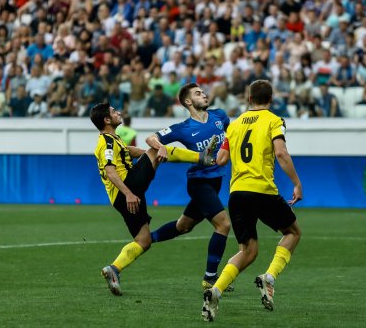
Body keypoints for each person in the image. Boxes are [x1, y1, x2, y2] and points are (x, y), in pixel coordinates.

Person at [201, 80, 303, 322]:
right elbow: (281, 152)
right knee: (293, 232)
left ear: (249, 99)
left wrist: (209, 152)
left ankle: (216, 290)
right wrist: (297, 183)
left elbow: (221, 159)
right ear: (271, 99)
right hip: (262, 190)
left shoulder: (235, 125)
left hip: (237, 194)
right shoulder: (274, 121)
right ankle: (270, 277)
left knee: (247, 251)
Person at [90, 102, 216, 296]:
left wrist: (147, 155)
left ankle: (113, 269)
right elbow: (110, 171)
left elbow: (128, 152)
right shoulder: (106, 141)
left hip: (122, 197)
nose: (119, 112)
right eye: (114, 112)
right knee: (158, 148)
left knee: (144, 241)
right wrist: (129, 193)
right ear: (107, 120)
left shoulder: (113, 139)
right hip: (128, 189)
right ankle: (203, 157)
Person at [145, 83, 233, 290]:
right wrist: (161, 147)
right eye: (198, 93)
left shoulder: (220, 116)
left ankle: (145, 239)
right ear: (188, 101)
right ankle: (210, 277)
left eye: (203, 92)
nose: (204, 95)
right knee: (224, 225)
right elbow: (151, 138)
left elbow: (232, 136)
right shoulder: (182, 128)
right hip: (199, 183)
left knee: (183, 226)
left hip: (216, 182)